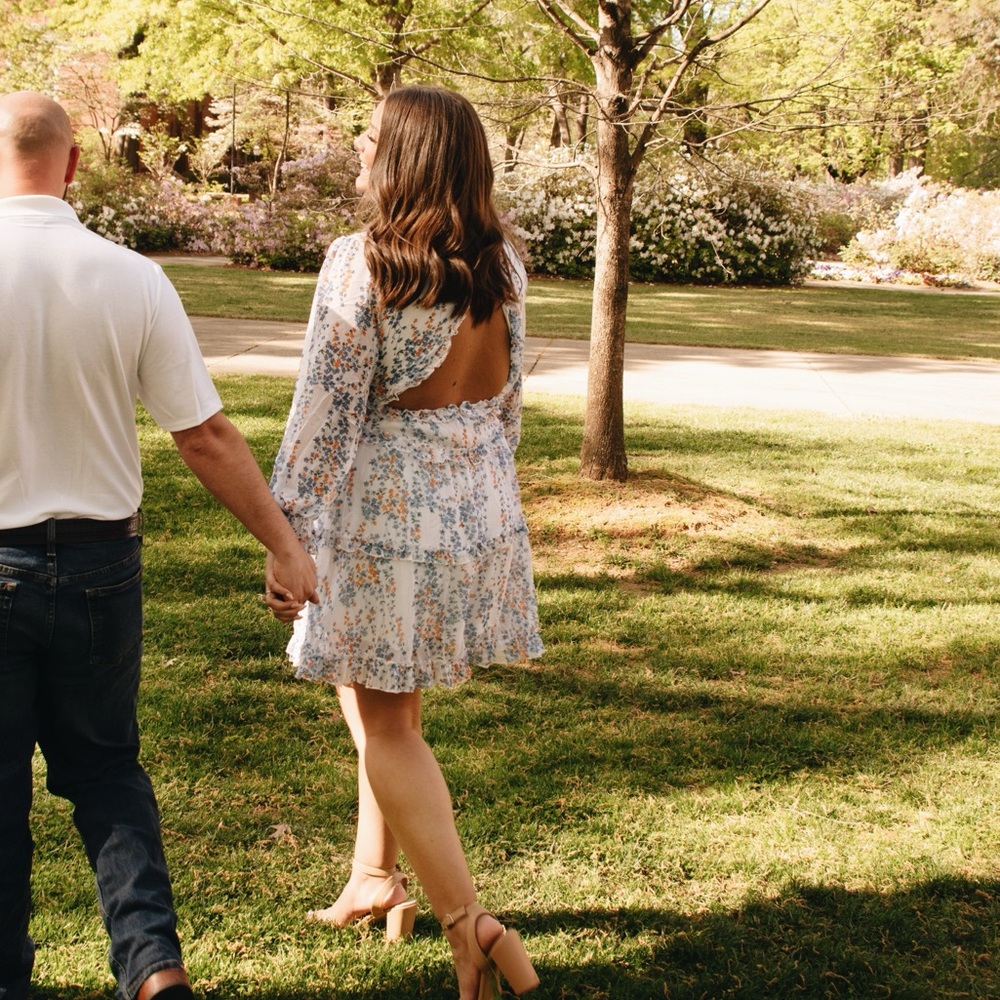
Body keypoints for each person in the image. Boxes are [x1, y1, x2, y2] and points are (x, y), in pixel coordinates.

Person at [0, 91, 318, 1000]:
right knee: (105, 771)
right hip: (101, 566)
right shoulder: (130, 275)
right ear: (71, 165)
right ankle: (154, 972)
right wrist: (285, 546)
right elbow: (204, 436)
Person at [266, 85, 543, 1000]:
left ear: (409, 155)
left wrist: (286, 533)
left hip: (389, 519)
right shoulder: (505, 267)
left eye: (372, 136)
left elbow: (325, 414)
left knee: (382, 718)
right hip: (477, 514)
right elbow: (504, 410)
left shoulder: (364, 264)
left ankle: (471, 921)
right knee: (391, 705)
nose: (358, 144)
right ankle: (373, 877)